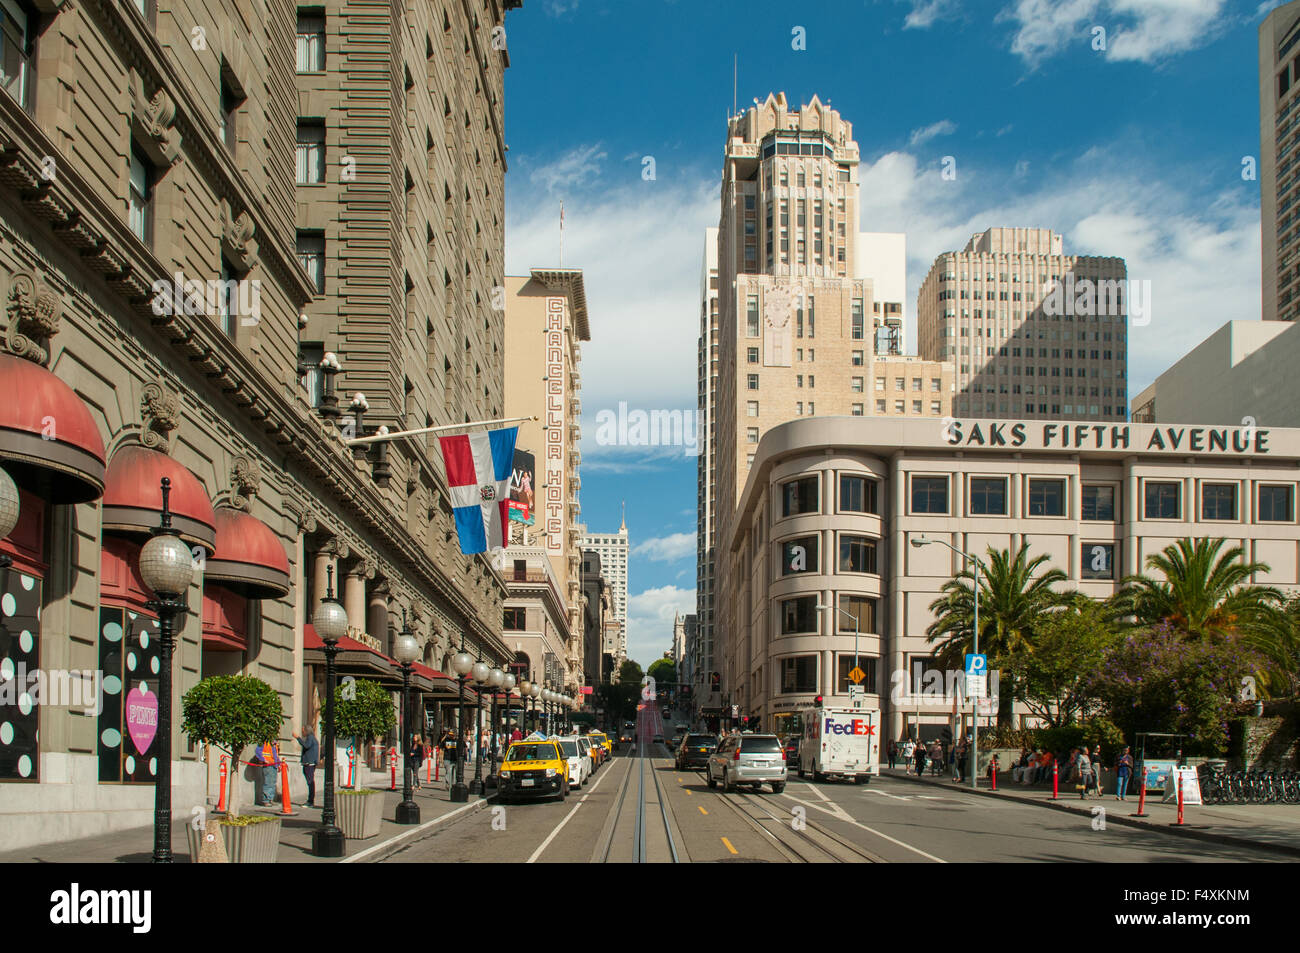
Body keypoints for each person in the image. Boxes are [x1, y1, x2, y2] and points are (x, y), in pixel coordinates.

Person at [293, 725, 318, 807]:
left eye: (303, 730)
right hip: (310, 763)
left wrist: (298, 738)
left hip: (309, 763)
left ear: (306, 731)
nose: (302, 732)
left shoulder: (310, 737)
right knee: (310, 781)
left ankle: (310, 801)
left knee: (310, 782)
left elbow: (306, 745)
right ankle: (310, 800)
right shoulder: (312, 738)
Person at [250, 740, 280, 805]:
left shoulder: (274, 744)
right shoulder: (265, 743)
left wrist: (278, 764)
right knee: (268, 782)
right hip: (268, 766)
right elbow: (258, 751)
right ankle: (266, 800)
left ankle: (270, 799)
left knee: (273, 782)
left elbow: (275, 755)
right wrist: (264, 760)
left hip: (274, 765)